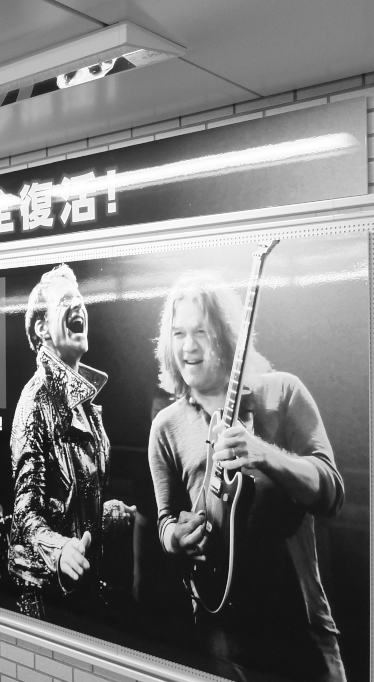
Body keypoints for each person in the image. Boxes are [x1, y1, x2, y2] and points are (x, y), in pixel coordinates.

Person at [147, 272, 346, 682]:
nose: (188, 346)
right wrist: (176, 539)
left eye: (200, 332)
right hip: (221, 629)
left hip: (299, 625)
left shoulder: (283, 392)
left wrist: (263, 453)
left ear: (225, 335)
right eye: (179, 333)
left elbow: (331, 493)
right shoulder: (165, 426)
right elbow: (165, 520)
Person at [8, 264, 134, 620]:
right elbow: (25, 511)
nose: (79, 305)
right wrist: (61, 550)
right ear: (42, 328)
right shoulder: (36, 399)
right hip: (43, 598)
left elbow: (69, 507)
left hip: (81, 590)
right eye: (65, 301)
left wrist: (109, 514)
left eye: (80, 299)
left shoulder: (86, 404)